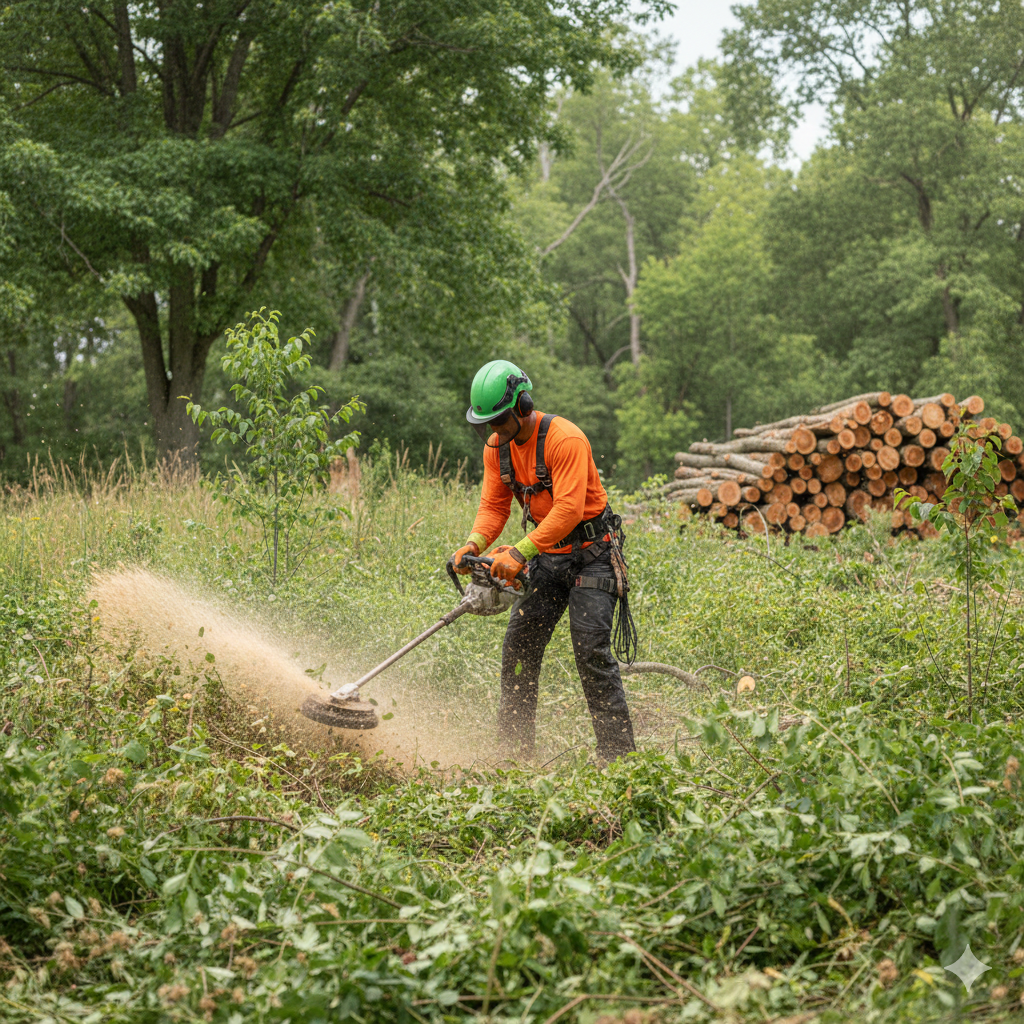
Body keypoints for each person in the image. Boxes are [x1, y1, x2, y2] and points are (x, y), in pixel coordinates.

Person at [449, 359, 637, 764]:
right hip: (548, 557)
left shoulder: (564, 440)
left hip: (592, 556)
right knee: (519, 647)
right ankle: (514, 752)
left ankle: (619, 760)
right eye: (487, 423)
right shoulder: (497, 449)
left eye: (500, 420)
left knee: (590, 650)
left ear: (523, 404)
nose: (494, 430)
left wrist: (520, 552)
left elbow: (568, 510)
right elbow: (493, 506)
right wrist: (473, 544)